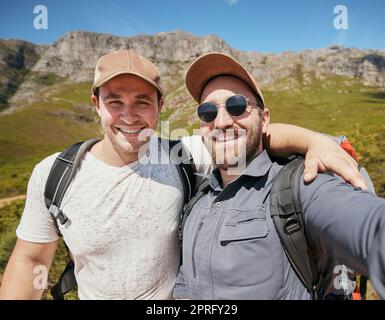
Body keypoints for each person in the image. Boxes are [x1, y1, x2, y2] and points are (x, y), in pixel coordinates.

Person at [0, 50, 366, 300]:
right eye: (115, 101)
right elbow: (31, 262)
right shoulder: (55, 174)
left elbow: (245, 134)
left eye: (142, 101)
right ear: (96, 104)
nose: (129, 116)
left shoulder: (180, 154)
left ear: (160, 106)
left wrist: (317, 141)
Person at [173, 52, 385, 300]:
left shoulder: (298, 186)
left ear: (264, 120)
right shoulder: (196, 203)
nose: (220, 122)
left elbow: (372, 230)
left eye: (237, 106)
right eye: (207, 112)